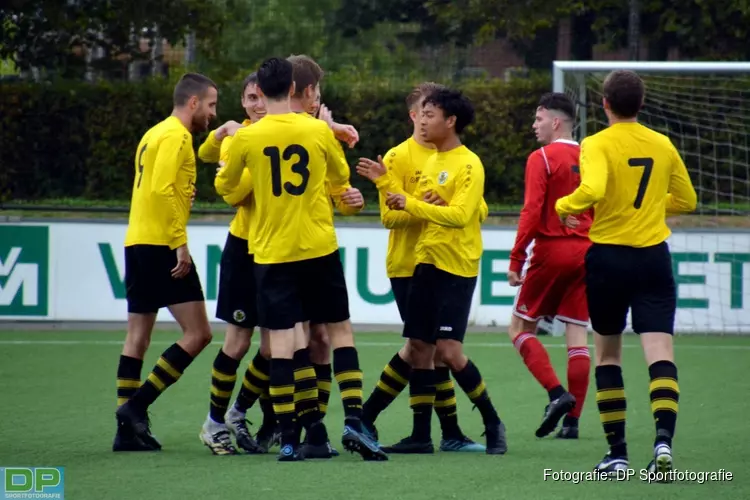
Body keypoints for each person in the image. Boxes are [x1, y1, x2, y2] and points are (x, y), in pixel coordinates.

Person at [218, 57, 386, 462]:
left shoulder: (248, 137)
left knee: (283, 343)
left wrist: (246, 176)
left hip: (272, 252)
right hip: (317, 247)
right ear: (295, 87)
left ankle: (290, 437)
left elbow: (226, 187)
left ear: (264, 88)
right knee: (339, 332)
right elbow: (340, 184)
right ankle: (353, 421)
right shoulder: (316, 131)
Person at [554, 70, 697, 477]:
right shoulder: (662, 143)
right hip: (653, 257)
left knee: (608, 355)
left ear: (604, 103)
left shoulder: (596, 143)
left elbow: (594, 189)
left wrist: (566, 206)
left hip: (610, 259)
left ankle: (617, 454)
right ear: (642, 104)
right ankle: (663, 444)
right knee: (660, 353)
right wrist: (650, 205)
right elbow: (687, 199)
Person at [356, 82, 487, 453]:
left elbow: (476, 210)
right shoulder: (397, 157)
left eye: (434, 112)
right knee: (423, 349)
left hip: (440, 261)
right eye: (424, 112)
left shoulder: (454, 158)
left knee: (434, 349)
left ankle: (438, 434)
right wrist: (417, 205)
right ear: (414, 115)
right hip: (407, 264)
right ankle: (434, 433)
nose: (428, 119)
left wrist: (439, 206)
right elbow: (389, 217)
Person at [114, 73, 217, 452]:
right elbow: (161, 190)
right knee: (199, 334)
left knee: (136, 337)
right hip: (160, 243)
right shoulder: (177, 136)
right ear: (193, 103)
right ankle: (136, 408)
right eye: (211, 105)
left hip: (136, 239)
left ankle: (126, 433)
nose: (212, 113)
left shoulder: (152, 133)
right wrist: (180, 243)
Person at [196, 72, 273, 455]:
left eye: (262, 97)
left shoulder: (282, 132)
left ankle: (238, 412)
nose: (258, 105)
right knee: (239, 341)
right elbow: (234, 195)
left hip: (278, 249)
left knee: (276, 344)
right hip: (244, 247)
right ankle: (213, 422)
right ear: (242, 103)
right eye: (250, 98)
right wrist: (222, 134)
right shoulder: (239, 138)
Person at [507, 92, 592, 440]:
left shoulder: (541, 157)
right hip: (588, 252)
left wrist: (516, 257)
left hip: (552, 250)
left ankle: (557, 394)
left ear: (556, 122)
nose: (534, 125)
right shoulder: (592, 157)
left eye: (539, 119)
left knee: (519, 328)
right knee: (577, 336)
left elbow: (531, 211)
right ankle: (572, 422)